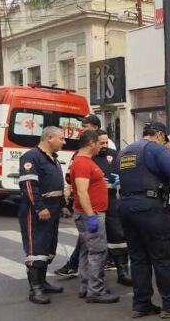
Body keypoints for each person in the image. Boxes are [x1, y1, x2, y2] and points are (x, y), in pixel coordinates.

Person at [117, 122, 170, 319]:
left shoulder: (126, 151)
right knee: (162, 257)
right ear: (159, 134)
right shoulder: (154, 149)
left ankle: (141, 304)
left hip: (126, 206)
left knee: (138, 258)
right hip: (149, 207)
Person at [18, 127, 69, 305]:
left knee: (48, 246)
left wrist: (62, 205)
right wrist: (39, 207)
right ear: (49, 138)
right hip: (37, 210)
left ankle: (43, 282)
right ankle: (35, 289)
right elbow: (30, 185)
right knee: (36, 247)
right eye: (61, 138)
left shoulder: (53, 159)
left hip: (54, 208)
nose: (64, 142)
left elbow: (58, 185)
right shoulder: (31, 157)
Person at [70, 130, 119, 304]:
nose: (102, 146)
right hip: (91, 213)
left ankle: (86, 286)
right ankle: (95, 291)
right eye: (99, 143)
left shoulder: (84, 161)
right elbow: (82, 192)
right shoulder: (83, 163)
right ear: (91, 143)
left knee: (86, 250)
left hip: (89, 212)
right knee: (98, 252)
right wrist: (91, 215)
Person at [95, 130, 132, 286]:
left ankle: (122, 272)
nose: (104, 146)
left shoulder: (114, 154)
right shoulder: (85, 154)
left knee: (118, 235)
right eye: (101, 143)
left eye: (106, 142)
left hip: (111, 199)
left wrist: (122, 180)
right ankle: (94, 278)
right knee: (94, 240)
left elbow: (127, 172)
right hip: (94, 199)